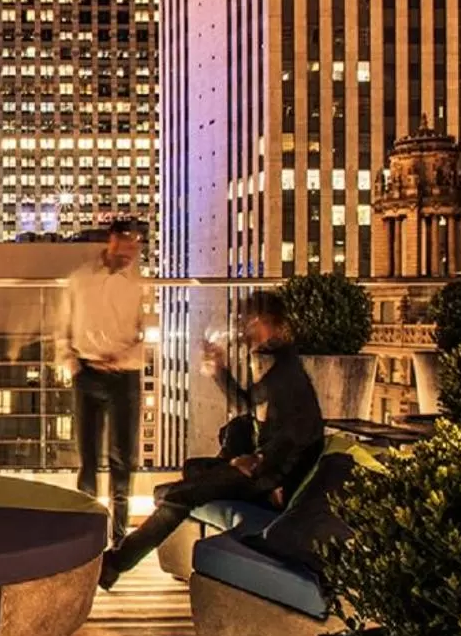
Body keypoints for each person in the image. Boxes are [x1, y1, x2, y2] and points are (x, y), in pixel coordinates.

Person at [99, 289, 325, 588]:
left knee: (180, 495)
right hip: (265, 469)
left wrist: (261, 462)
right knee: (192, 471)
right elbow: (246, 403)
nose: (244, 329)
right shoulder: (283, 365)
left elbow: (300, 433)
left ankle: (116, 563)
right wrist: (219, 370)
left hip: (267, 476)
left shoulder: (286, 373)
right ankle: (120, 558)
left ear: (263, 321)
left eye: (248, 321)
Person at [56, 217, 146, 542]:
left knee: (123, 461)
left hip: (125, 378)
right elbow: (63, 326)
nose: (131, 254)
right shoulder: (80, 280)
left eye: (135, 248)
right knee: (88, 460)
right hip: (88, 373)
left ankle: (119, 539)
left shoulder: (136, 284)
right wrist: (74, 365)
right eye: (126, 246)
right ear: (111, 241)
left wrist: (124, 359)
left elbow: (142, 332)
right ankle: (86, 536)